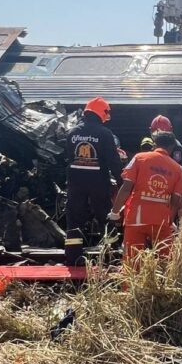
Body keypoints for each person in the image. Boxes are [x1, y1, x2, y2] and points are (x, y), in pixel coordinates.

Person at [107, 131, 182, 264]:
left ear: (154, 144)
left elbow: (126, 188)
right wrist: (170, 221)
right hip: (161, 221)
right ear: (172, 147)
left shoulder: (139, 158)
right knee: (165, 263)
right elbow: (176, 200)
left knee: (132, 262)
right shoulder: (178, 168)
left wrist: (115, 212)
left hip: (136, 219)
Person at [64, 97, 123, 266]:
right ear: (102, 113)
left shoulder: (72, 133)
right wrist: (122, 182)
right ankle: (111, 256)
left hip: (76, 183)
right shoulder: (105, 134)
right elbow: (114, 161)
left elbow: (67, 158)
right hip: (98, 183)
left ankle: (73, 257)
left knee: (74, 219)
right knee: (105, 216)